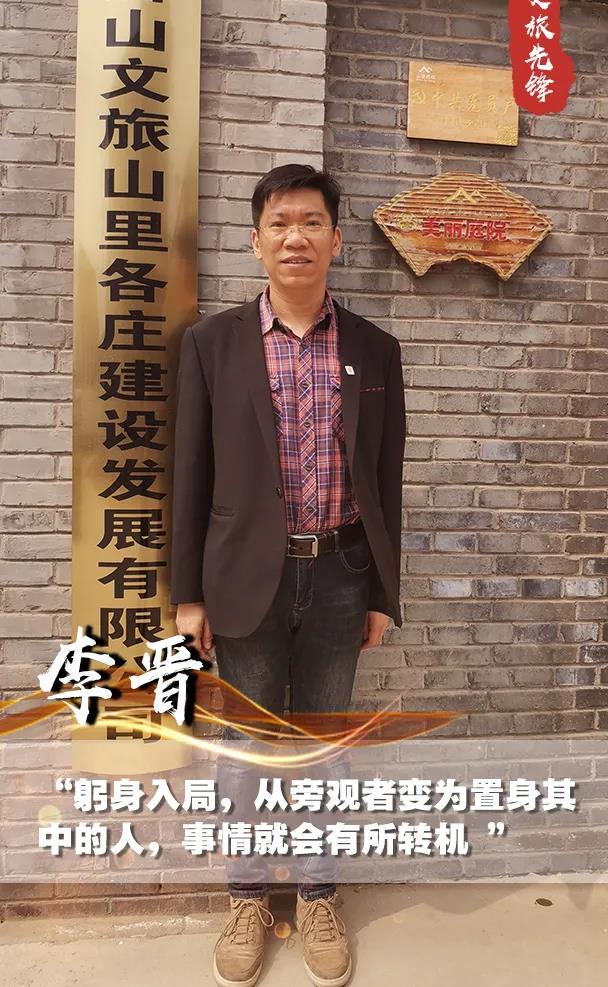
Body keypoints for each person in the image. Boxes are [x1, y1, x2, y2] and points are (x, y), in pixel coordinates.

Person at [171, 163, 406, 987]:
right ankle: (246, 897)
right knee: (245, 745)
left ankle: (316, 894)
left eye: (311, 222)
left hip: (341, 572)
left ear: (336, 240)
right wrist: (187, 594)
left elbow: (387, 477)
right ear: (256, 240)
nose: (295, 236)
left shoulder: (375, 349)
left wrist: (382, 591)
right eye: (279, 222)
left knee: (323, 745)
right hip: (244, 581)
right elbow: (190, 473)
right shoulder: (212, 344)